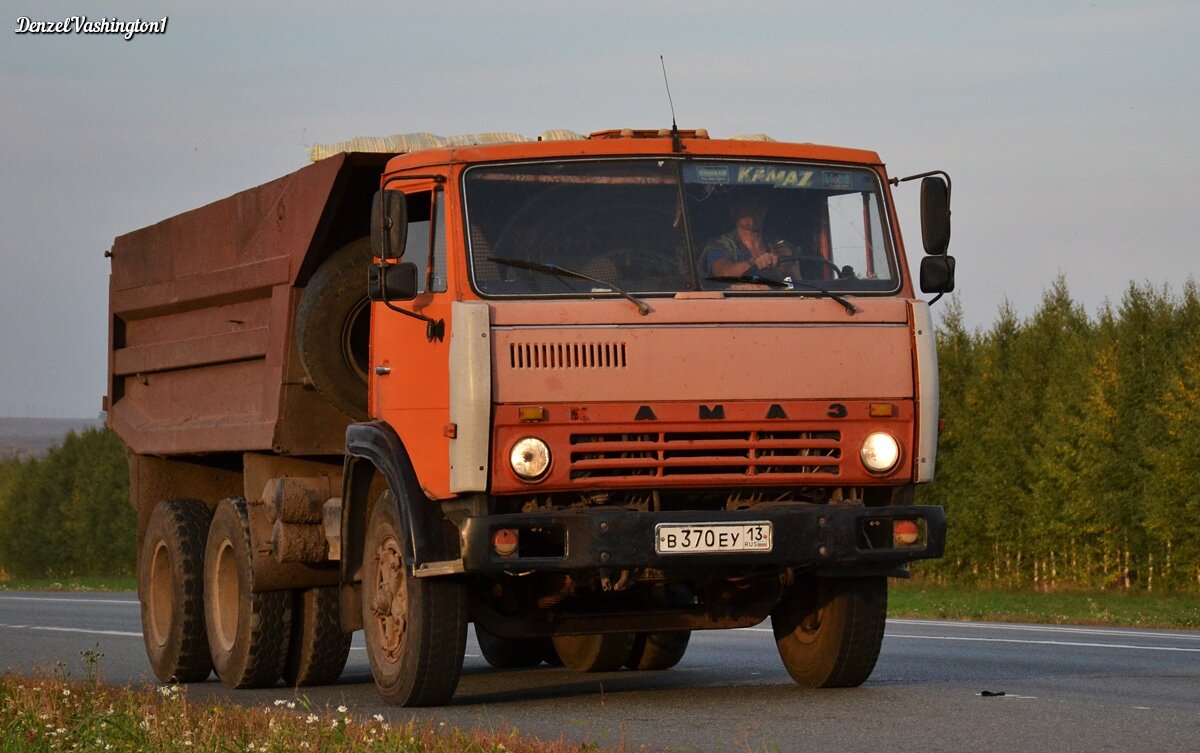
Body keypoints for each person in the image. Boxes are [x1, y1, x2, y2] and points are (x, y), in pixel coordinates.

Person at [702, 196, 789, 279]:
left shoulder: (778, 245)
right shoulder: (720, 244)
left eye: (759, 204)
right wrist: (752, 264)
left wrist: (791, 265)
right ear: (734, 211)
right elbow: (723, 272)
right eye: (748, 204)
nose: (754, 209)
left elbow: (796, 285)